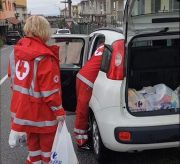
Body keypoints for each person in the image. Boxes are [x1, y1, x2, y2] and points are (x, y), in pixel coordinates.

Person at [8, 16, 65, 164]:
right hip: (43, 115)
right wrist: (59, 112)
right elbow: (50, 91)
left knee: (33, 150)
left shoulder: (16, 52)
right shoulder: (45, 57)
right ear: (43, 31)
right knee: (48, 151)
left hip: (22, 112)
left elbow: (13, 81)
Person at [74, 38, 105, 149]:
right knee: (83, 110)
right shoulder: (116, 45)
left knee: (82, 109)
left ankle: (84, 133)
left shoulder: (103, 46)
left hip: (83, 76)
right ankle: (81, 141)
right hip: (88, 80)